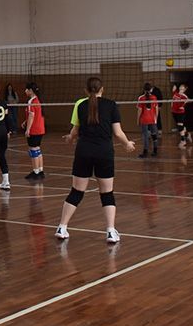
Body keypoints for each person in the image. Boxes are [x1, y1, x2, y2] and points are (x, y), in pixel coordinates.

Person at [56, 77, 136, 244]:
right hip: (103, 152)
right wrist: (127, 144)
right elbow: (118, 132)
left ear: (86, 90)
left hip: (83, 151)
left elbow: (75, 131)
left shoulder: (81, 105)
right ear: (102, 89)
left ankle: (62, 227)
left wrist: (70, 138)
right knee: (107, 193)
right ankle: (110, 231)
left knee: (76, 191)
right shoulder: (111, 105)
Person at [24, 82, 46, 181]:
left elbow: (32, 116)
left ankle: (35, 172)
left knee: (33, 150)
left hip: (34, 129)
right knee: (37, 149)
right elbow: (35, 115)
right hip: (41, 129)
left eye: (26, 89)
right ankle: (40, 171)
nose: (25, 91)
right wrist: (25, 122)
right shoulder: (39, 100)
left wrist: (28, 129)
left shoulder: (31, 101)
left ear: (30, 90)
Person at [136, 83, 159, 158]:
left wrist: (138, 120)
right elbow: (156, 109)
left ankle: (145, 152)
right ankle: (155, 150)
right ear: (151, 89)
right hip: (152, 119)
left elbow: (139, 110)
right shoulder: (154, 97)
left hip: (144, 119)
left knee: (145, 135)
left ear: (144, 89)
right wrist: (156, 118)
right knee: (154, 135)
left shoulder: (141, 98)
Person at [171, 83, 192, 148]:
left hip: (180, 112)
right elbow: (173, 90)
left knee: (180, 126)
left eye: (183, 87)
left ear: (185, 89)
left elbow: (189, 100)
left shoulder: (184, 96)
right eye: (180, 86)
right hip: (174, 112)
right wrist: (174, 87)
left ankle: (183, 141)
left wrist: (186, 101)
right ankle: (187, 134)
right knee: (179, 126)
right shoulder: (175, 93)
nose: (181, 88)